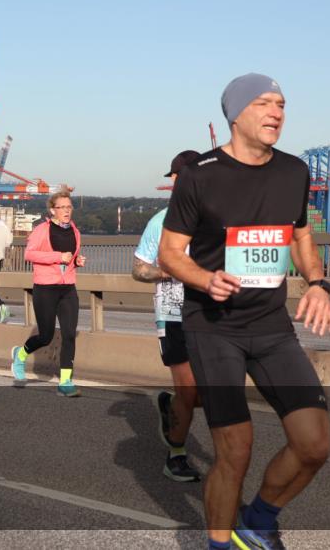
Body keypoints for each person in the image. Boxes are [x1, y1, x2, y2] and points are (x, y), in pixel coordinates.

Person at [158, 74, 330, 550]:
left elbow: (299, 234)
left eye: (281, 103)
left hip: (272, 327)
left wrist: (316, 283)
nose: (276, 111)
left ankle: (257, 520)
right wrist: (204, 278)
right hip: (213, 328)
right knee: (235, 450)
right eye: (264, 102)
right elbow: (170, 253)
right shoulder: (200, 174)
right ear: (236, 113)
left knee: (314, 443)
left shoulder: (295, 172)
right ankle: (219, 543)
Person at [132, 150, 202, 482]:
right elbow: (138, 269)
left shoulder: (217, 219)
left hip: (210, 314)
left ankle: (170, 406)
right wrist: (168, 271)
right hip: (173, 312)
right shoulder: (160, 222)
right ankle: (176, 453)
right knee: (189, 390)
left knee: (211, 393)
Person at [9, 190, 87, 396]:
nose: (66, 211)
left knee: (69, 334)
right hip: (45, 288)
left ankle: (65, 382)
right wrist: (57, 257)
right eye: (62, 207)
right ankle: (20, 354)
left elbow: (70, 257)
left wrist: (76, 261)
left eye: (69, 207)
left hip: (68, 288)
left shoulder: (75, 231)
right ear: (53, 210)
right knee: (46, 336)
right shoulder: (42, 230)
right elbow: (29, 254)